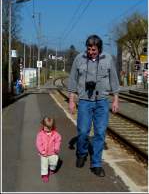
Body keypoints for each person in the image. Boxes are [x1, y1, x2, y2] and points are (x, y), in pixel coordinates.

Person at [68, 34, 119, 177]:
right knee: (83, 131)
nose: (91, 52)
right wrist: (72, 100)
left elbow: (114, 79)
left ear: (99, 49)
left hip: (102, 101)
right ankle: (82, 153)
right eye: (89, 48)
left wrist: (115, 99)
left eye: (94, 49)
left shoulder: (108, 59)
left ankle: (96, 164)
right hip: (84, 100)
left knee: (100, 133)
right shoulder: (79, 59)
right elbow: (73, 80)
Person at [36, 117, 62, 183]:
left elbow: (58, 141)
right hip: (44, 153)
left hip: (53, 152)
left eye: (49, 127)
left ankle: (52, 169)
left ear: (52, 127)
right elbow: (38, 143)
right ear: (43, 125)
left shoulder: (56, 134)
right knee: (44, 164)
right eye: (45, 127)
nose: (47, 129)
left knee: (54, 163)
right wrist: (42, 151)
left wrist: (56, 148)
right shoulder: (40, 134)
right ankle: (44, 175)